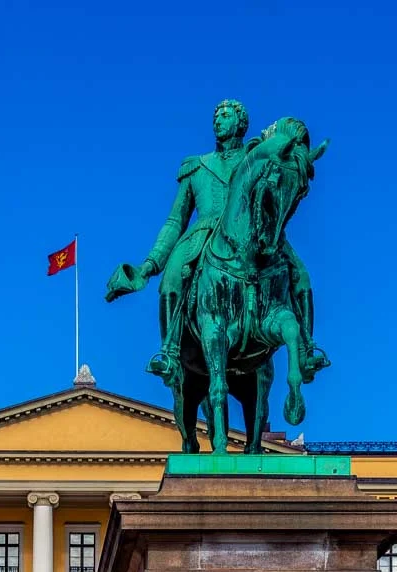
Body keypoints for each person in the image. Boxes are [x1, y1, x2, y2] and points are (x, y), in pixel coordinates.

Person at [106, 99, 326, 388]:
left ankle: (307, 348)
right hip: (203, 233)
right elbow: (175, 221)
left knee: (301, 274)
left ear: (241, 122)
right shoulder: (196, 166)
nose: (218, 120)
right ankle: (169, 352)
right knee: (173, 276)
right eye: (216, 116)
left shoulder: (255, 156)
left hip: (254, 233)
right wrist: (150, 265)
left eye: (226, 115)